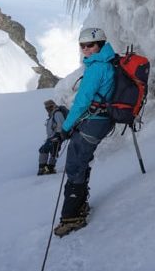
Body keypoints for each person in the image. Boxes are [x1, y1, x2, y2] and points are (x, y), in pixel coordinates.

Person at [54, 27, 116, 237]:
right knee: (80, 161)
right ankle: (79, 205)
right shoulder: (106, 62)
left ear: (100, 44)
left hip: (95, 121)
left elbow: (82, 102)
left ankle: (73, 216)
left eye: (90, 45)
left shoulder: (97, 68)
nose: (86, 49)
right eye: (83, 46)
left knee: (75, 163)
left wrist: (64, 128)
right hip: (99, 120)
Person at [38, 99, 65, 175]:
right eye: (46, 108)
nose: (47, 109)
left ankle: (44, 168)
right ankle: (49, 168)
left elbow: (61, 124)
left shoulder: (57, 113)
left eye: (48, 107)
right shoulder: (52, 115)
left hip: (56, 137)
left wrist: (58, 135)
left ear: (52, 106)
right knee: (53, 152)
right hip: (52, 137)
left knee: (45, 150)